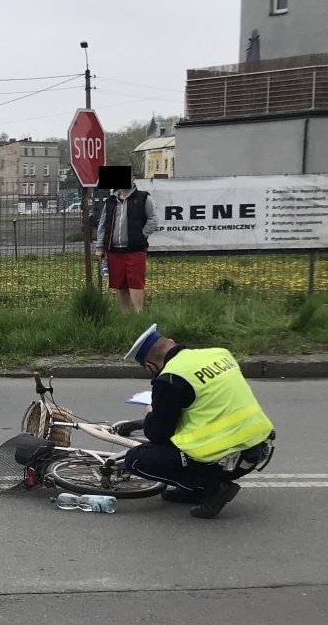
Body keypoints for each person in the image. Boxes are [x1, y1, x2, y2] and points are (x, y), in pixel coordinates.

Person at [117, 324, 275, 520]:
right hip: (259, 446)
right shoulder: (219, 354)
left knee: (137, 459)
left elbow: (157, 433)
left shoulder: (170, 378)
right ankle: (193, 489)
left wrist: (152, 411)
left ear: (150, 365)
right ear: (172, 343)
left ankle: (214, 488)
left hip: (228, 460)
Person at [95, 183, 159, 313]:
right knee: (119, 284)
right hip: (114, 250)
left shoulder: (143, 198)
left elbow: (153, 219)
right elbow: (102, 226)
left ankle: (138, 315)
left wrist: (141, 235)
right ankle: (126, 315)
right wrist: (100, 246)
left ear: (132, 179)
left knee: (136, 283)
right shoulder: (110, 201)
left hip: (135, 249)